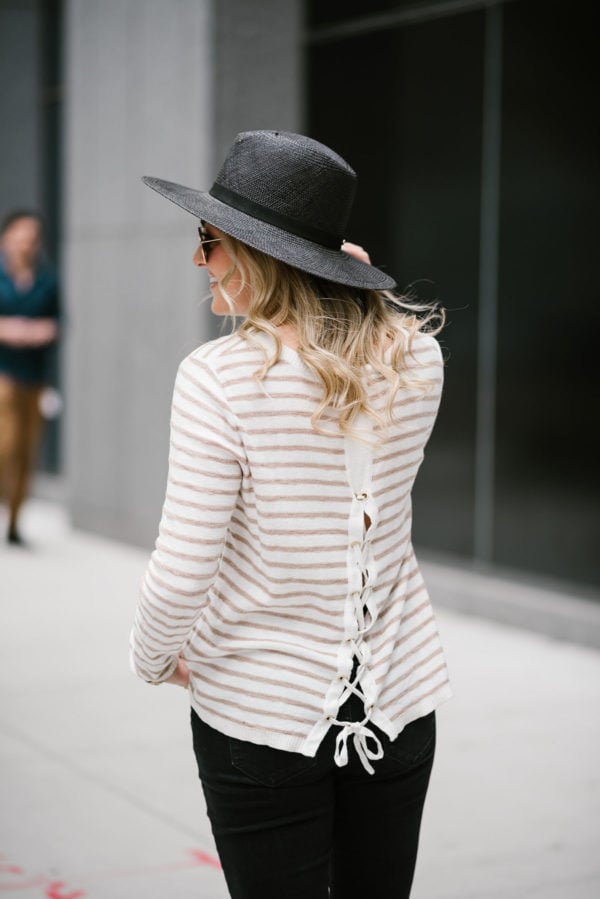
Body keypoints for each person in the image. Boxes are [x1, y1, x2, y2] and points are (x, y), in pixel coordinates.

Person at [130, 130, 452, 898]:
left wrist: (152, 658)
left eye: (208, 239)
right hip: (399, 710)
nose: (198, 259)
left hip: (261, 720)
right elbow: (366, 335)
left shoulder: (218, 380)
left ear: (257, 255)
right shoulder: (420, 358)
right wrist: (341, 276)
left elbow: (182, 570)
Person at [0, 210, 60, 546]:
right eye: (20, 236)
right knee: (5, 445)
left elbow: (57, 323)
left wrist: (37, 331)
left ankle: (14, 521)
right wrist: (9, 329)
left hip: (34, 378)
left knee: (26, 451)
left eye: (32, 237)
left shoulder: (47, 280)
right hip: (3, 374)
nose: (26, 243)